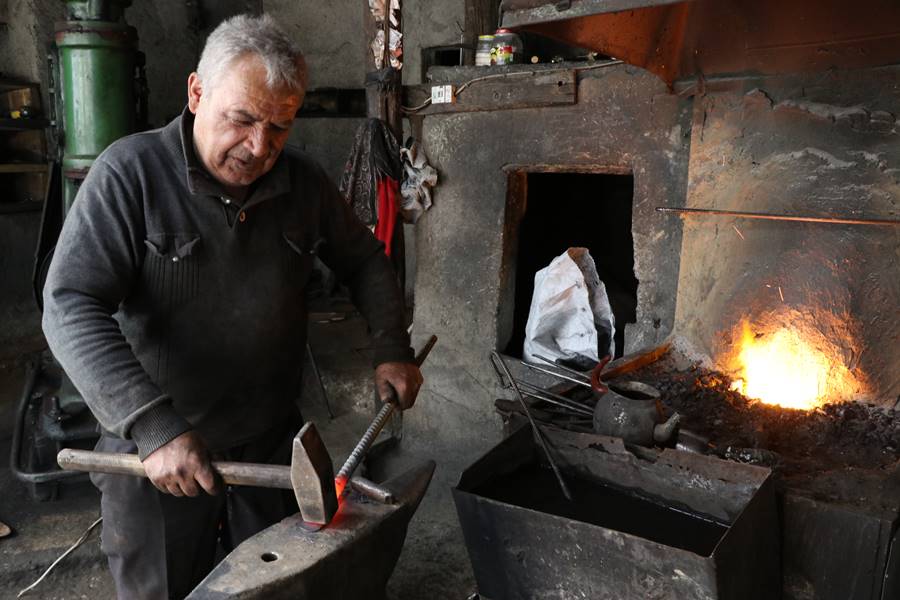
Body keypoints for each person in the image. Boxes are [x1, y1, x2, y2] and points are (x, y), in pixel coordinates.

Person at [42, 13, 422, 599]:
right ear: (196, 92)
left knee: (276, 588)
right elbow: (69, 304)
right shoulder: (130, 174)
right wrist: (154, 426)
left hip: (273, 446)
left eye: (279, 128)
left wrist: (391, 347)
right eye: (242, 120)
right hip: (157, 456)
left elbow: (367, 260)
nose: (258, 147)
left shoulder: (303, 184)